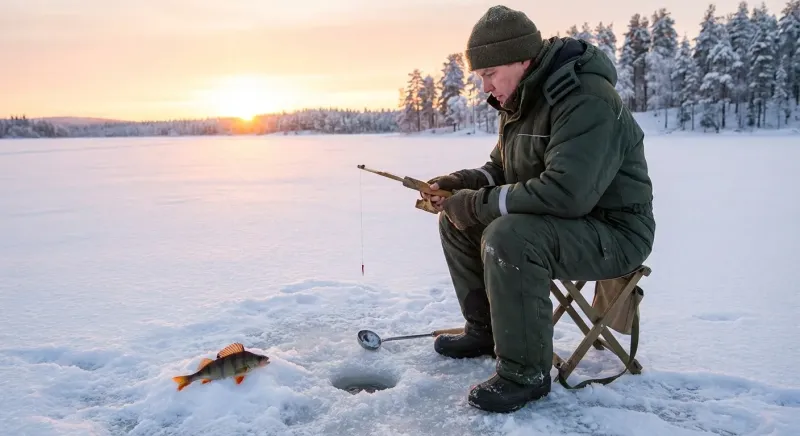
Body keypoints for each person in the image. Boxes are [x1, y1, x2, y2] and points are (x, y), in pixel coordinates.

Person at [421, 5, 656, 413]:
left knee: (508, 235)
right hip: (568, 226)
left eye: (489, 74)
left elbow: (566, 193)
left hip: (614, 233)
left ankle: (525, 375)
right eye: (481, 77)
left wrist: (476, 205)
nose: (485, 87)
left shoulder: (586, 99)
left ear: (521, 59)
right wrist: (458, 185)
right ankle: (487, 331)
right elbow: (500, 170)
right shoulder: (524, 100)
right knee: (458, 221)